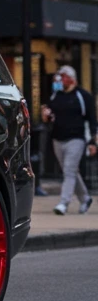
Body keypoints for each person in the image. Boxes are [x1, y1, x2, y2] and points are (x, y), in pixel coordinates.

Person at [40, 65, 97, 215]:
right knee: (70, 171)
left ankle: (63, 203)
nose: (60, 78)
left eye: (63, 76)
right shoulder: (56, 95)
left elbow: (91, 120)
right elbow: (49, 115)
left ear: (71, 78)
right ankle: (85, 198)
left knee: (69, 170)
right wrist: (46, 117)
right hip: (58, 138)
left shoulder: (83, 96)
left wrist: (92, 141)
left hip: (76, 139)